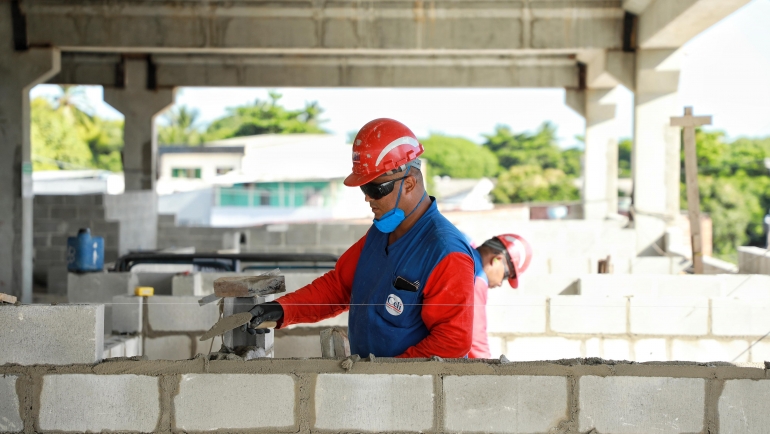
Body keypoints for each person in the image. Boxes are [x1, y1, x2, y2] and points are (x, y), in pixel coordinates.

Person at [243, 118, 478, 358]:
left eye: (375, 190)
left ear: (408, 184)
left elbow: (451, 342)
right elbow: (339, 286)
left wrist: (385, 376)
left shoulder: (445, 252)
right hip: (371, 381)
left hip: (409, 389)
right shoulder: (381, 231)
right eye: (364, 189)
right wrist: (282, 309)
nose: (368, 198)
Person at [469, 234, 532, 358]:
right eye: (505, 276)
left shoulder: (464, 248)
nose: (499, 283)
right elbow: (476, 342)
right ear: (496, 259)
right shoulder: (477, 279)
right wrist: (487, 372)